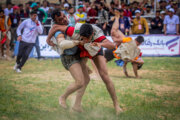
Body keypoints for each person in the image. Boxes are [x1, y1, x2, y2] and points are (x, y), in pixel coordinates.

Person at [47, 17, 123, 115]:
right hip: (82, 51)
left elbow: (112, 45)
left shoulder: (98, 34)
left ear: (92, 35)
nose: (86, 40)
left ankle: (116, 106)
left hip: (96, 48)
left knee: (105, 76)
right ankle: (76, 105)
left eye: (87, 38)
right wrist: (48, 39)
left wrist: (99, 44)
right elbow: (55, 27)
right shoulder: (74, 30)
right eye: (83, 38)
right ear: (80, 34)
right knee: (84, 80)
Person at [49, 9, 90, 112]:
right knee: (80, 82)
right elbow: (62, 44)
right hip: (69, 58)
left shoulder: (70, 22)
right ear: (56, 22)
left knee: (86, 79)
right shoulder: (58, 31)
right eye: (60, 19)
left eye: (63, 16)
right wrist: (77, 42)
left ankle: (77, 105)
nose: (63, 19)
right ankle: (63, 97)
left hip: (77, 55)